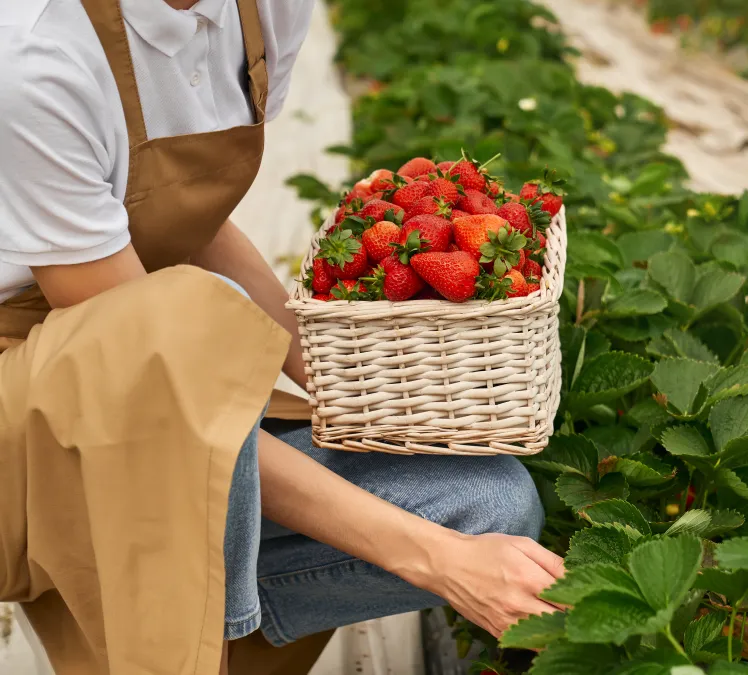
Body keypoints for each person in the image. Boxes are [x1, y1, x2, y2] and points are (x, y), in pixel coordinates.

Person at [0, 1, 563, 673]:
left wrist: (353, 393)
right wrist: (435, 558)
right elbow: (157, 380)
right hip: (33, 433)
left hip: (174, 375)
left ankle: (203, 639)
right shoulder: (37, 59)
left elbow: (189, 224)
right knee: (194, 317)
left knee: (490, 503)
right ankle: (184, 641)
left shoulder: (265, 10)